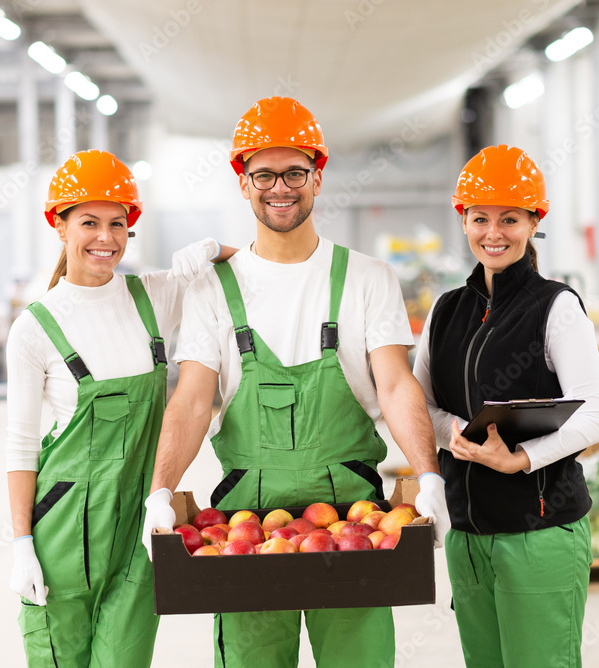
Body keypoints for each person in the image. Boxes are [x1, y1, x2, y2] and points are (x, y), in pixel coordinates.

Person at [140, 97, 451, 668]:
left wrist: (428, 476)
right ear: (243, 181)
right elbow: (191, 400)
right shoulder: (213, 288)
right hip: (240, 530)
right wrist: (162, 489)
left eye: (294, 172)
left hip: (356, 518)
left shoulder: (366, 278)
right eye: (263, 173)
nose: (279, 187)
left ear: (318, 177)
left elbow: (395, 385)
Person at [5, 149, 234, 667]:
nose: (105, 238)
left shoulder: (154, 294)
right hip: (64, 530)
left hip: (141, 521)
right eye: (89, 222)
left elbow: (253, 265)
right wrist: (22, 544)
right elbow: (19, 447)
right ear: (59, 226)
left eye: (118, 223)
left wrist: (213, 247)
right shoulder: (35, 327)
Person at [412, 145, 599, 668]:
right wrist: (452, 429)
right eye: (480, 218)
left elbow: (594, 415)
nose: (493, 233)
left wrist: (519, 459)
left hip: (539, 533)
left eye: (510, 219)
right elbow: (417, 404)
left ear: (533, 223)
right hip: (469, 537)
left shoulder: (557, 306)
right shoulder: (447, 309)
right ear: (464, 220)